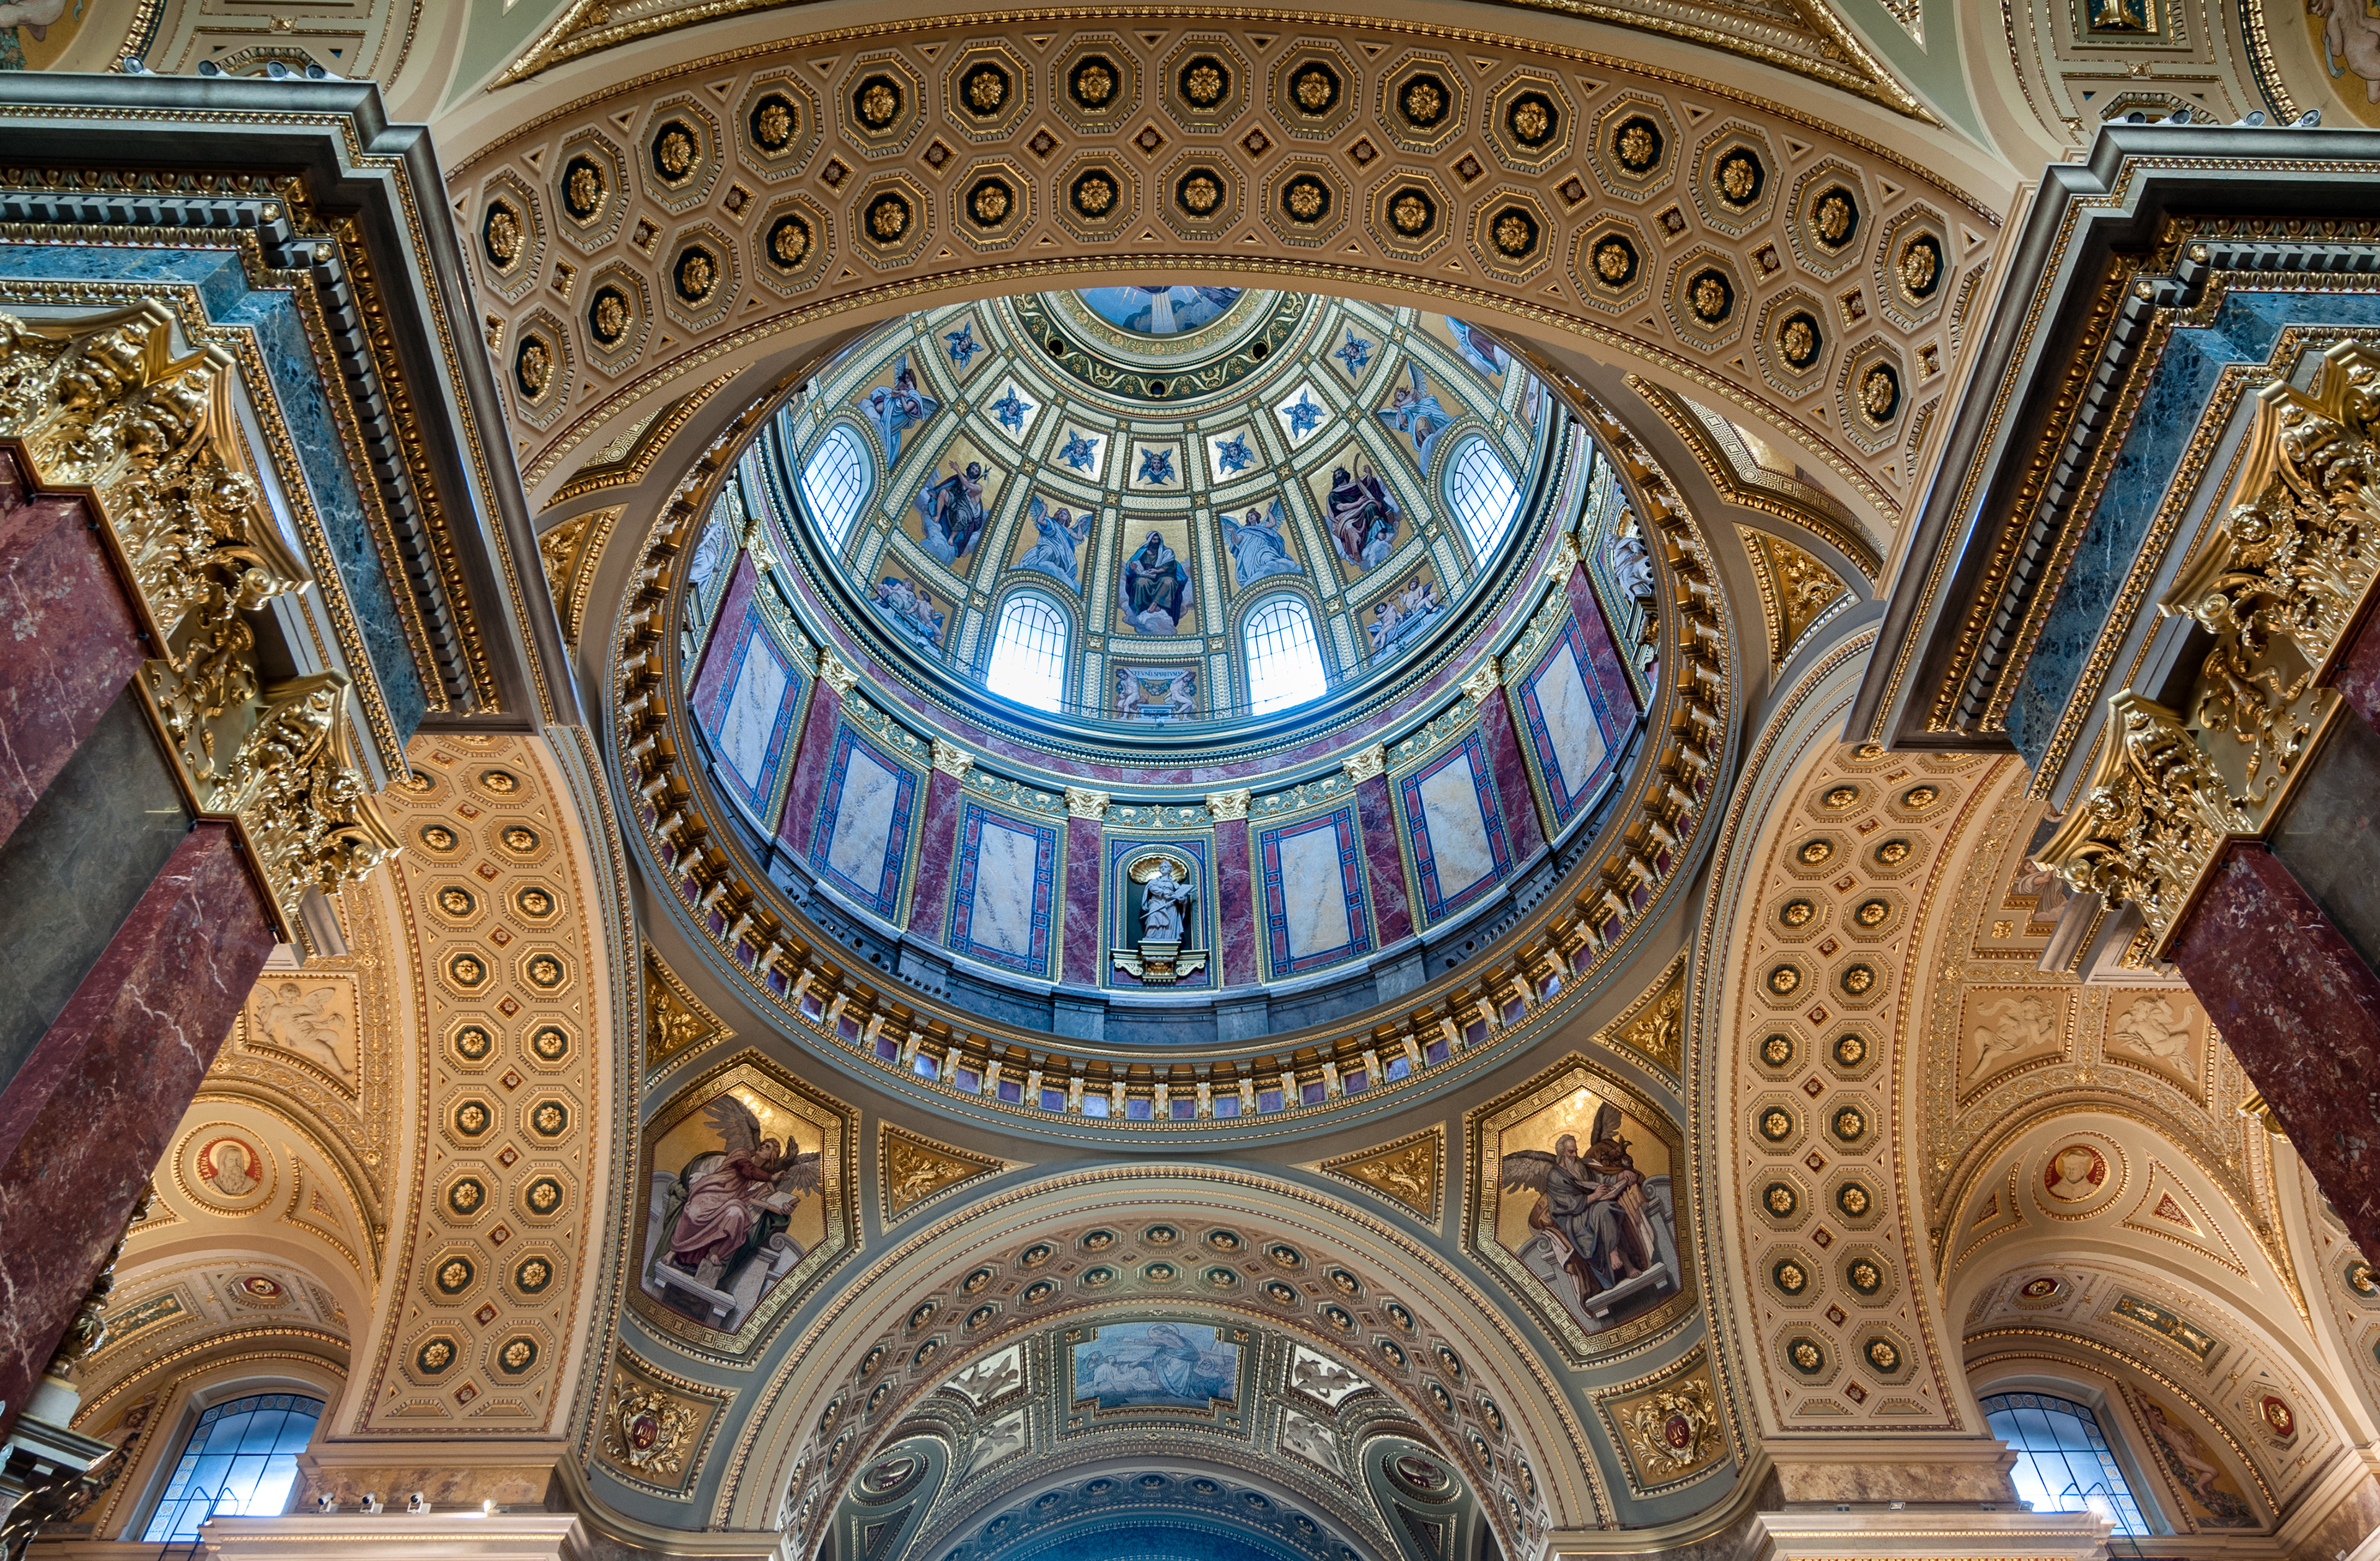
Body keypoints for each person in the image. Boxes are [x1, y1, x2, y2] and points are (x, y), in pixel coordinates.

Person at [1120, 530, 1191, 635]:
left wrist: (1157, 571)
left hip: (1163, 575)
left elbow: (1171, 566)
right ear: (1149, 540)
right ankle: (1143, 609)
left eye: (1158, 540)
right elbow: (1133, 567)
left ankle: (1155, 604)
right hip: (1147, 576)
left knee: (1169, 582)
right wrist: (1132, 568)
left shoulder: (1166, 552)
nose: (1156, 541)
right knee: (1140, 582)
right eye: (1154, 539)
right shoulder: (1143, 552)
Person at [1220, 501, 1301, 587]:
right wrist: (1232, 531)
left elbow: (1273, 523)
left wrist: (1268, 512)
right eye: (1248, 517)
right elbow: (1236, 541)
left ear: (1256, 516)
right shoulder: (1244, 531)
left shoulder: (1262, 525)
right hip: (1250, 555)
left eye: (1252, 515)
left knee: (1269, 557)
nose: (1250, 517)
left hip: (1264, 549)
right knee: (1255, 577)